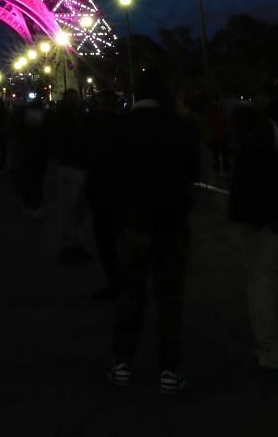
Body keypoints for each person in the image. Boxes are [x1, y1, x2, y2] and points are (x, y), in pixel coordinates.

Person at [104, 72, 199, 395]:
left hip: (134, 222)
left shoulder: (121, 127)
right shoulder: (182, 128)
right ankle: (169, 369)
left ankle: (122, 363)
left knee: (132, 293)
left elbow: (110, 177)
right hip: (171, 223)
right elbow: (194, 174)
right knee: (169, 297)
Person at [228, 93, 278, 371]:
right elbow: (265, 183)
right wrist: (275, 222)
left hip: (249, 218)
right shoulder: (266, 137)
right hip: (261, 221)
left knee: (257, 280)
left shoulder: (257, 134)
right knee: (265, 282)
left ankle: (265, 343)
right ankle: (270, 347)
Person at [82, 88, 123, 299]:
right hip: (120, 190)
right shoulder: (124, 123)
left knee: (107, 241)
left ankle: (115, 283)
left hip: (103, 189)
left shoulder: (94, 125)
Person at [50, 89, 91, 262]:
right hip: (74, 165)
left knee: (69, 207)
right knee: (74, 207)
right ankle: (73, 244)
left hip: (67, 165)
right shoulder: (74, 119)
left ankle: (71, 243)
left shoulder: (60, 118)